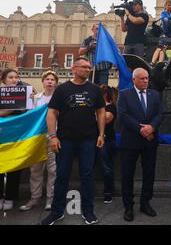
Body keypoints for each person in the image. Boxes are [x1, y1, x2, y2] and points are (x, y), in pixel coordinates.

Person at [41, 57, 106, 225]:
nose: (88, 70)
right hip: (65, 140)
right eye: (84, 67)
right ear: (74, 69)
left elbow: (100, 112)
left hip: (88, 140)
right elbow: (52, 113)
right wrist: (53, 136)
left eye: (89, 68)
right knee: (61, 176)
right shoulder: (62, 89)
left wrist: (101, 134)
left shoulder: (95, 89)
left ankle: (88, 211)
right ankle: (56, 212)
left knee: (87, 176)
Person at [117, 68, 163, 222]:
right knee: (127, 175)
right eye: (142, 78)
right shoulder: (124, 94)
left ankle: (145, 203)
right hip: (130, 141)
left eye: (147, 78)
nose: (145, 81)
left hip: (150, 140)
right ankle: (128, 206)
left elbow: (160, 113)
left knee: (149, 173)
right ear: (134, 80)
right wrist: (140, 129)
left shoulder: (154, 94)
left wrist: (152, 127)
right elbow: (122, 115)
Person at [20, 71, 58, 212]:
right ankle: (34, 198)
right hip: (37, 139)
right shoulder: (35, 99)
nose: (49, 81)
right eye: (47, 79)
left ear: (55, 82)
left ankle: (50, 199)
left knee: (53, 170)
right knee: (35, 170)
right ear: (42, 82)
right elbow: (28, 117)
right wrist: (28, 102)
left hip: (53, 137)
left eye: (52, 79)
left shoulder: (58, 98)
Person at [0, 69, 27, 211]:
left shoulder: (24, 93)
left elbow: (27, 113)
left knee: (15, 167)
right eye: (11, 77)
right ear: (4, 80)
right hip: (1, 135)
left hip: (16, 136)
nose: (14, 79)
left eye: (17, 77)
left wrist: (29, 99)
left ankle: (10, 197)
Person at [97, 85, 117, 205]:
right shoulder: (97, 107)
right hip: (94, 139)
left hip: (107, 140)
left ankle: (108, 192)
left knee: (106, 167)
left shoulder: (111, 107)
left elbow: (105, 119)